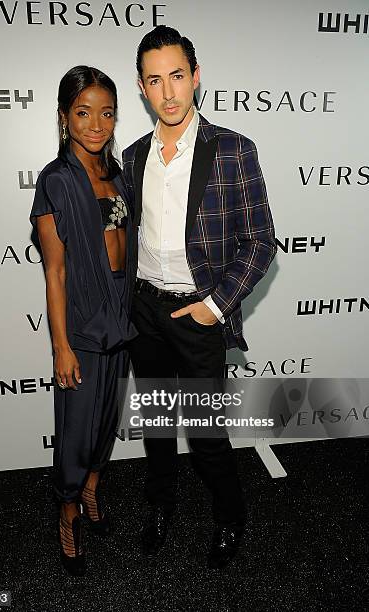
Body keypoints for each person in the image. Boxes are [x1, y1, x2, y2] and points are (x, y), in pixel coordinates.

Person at [122, 26, 277, 569]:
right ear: (142, 89)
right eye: (155, 81)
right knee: (160, 429)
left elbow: (261, 241)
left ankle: (229, 515)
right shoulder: (134, 155)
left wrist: (215, 307)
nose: (168, 93)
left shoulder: (233, 149)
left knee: (208, 435)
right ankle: (159, 507)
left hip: (198, 313)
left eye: (178, 77)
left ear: (197, 76)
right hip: (145, 311)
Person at [30, 65, 137, 576]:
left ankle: (92, 490)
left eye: (107, 112)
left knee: (105, 420)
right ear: (64, 117)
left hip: (121, 309)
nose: (97, 124)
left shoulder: (116, 176)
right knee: (75, 428)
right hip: (81, 318)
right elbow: (54, 271)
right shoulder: (55, 182)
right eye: (83, 112)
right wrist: (61, 347)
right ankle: (67, 512)